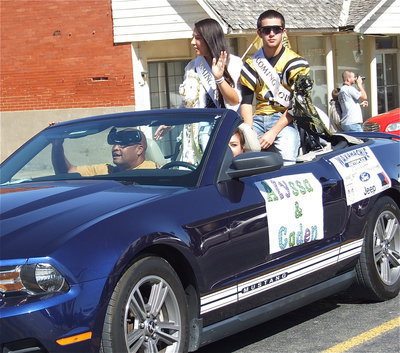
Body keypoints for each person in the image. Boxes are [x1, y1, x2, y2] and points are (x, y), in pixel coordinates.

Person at [154, 18, 243, 164]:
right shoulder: (191, 67)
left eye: (198, 38)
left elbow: (235, 101)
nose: (192, 42)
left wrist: (219, 79)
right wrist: (170, 121)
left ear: (210, 39)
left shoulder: (233, 63)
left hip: (220, 132)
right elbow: (187, 104)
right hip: (193, 136)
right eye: (193, 37)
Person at [240, 10, 310, 165]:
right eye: (266, 30)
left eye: (276, 29)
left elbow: (298, 105)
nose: (271, 34)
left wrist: (272, 132)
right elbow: (246, 103)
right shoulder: (251, 64)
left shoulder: (297, 64)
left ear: (283, 32)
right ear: (259, 33)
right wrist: (249, 132)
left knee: (287, 156)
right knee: (239, 154)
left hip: (285, 120)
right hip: (257, 119)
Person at [52, 128, 157, 176]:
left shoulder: (156, 172)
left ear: (139, 149)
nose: (115, 148)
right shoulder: (107, 171)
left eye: (122, 144)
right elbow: (67, 171)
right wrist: (57, 145)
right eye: (114, 144)